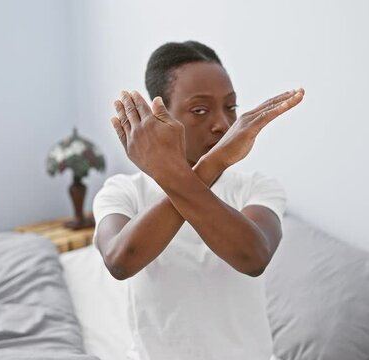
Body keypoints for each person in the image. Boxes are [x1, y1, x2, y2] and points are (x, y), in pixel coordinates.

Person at [92, 41, 304, 360]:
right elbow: (121, 260)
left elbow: (253, 257)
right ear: (158, 116)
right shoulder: (124, 191)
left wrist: (200, 166)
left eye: (230, 107)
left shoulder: (258, 188)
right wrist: (210, 164)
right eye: (200, 110)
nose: (222, 123)